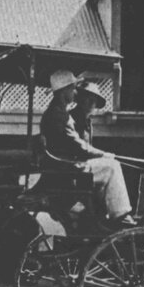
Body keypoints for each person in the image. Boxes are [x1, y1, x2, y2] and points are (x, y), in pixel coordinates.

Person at [40, 70, 135, 227]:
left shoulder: (57, 113)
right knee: (112, 166)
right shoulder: (59, 115)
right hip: (69, 169)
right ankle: (120, 215)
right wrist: (103, 154)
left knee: (106, 168)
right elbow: (77, 146)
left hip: (65, 166)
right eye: (72, 89)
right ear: (64, 91)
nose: (75, 92)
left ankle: (102, 215)